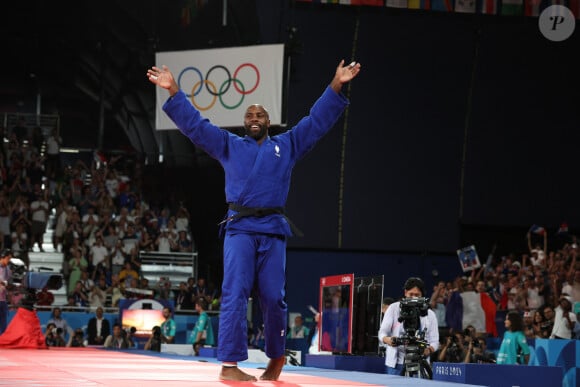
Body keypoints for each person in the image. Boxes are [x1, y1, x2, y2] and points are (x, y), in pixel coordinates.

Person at [147, 58, 361, 382]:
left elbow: (315, 122)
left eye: (260, 114)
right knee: (234, 292)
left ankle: (276, 357)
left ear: (269, 120)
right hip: (240, 230)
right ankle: (230, 366)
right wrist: (174, 90)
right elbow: (196, 126)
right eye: (249, 115)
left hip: (273, 231)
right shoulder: (229, 145)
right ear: (244, 123)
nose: (255, 118)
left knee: (274, 297)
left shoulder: (287, 145)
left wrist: (336, 84)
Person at [378, 277, 439, 376]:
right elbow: (382, 333)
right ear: (405, 292)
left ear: (422, 295)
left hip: (420, 362)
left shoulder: (430, 314)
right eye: (411, 294)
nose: (413, 298)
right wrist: (388, 340)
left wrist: (428, 350)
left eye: (417, 295)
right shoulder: (394, 308)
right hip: (396, 363)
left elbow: (435, 341)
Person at [0, 248, 12, 335]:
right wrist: (4, 282)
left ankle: (2, 340)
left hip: (3, 299)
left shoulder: (8, 269)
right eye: (8, 258)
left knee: (3, 322)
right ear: (3, 257)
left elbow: (8, 281)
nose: (9, 261)